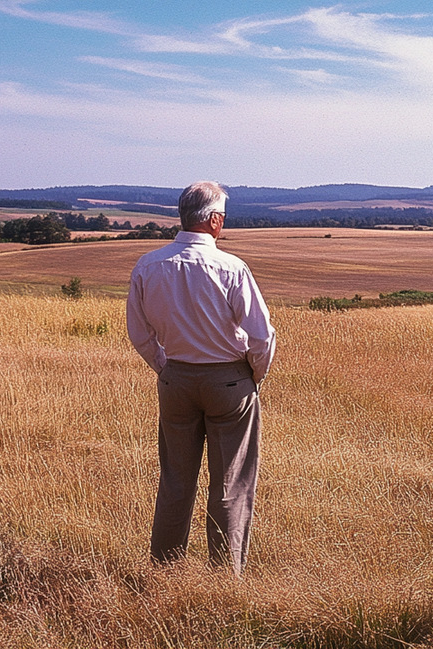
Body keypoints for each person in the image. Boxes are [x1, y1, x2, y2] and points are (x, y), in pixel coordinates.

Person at [126, 180, 275, 574]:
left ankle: (165, 572)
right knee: (230, 485)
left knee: (176, 480)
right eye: (222, 216)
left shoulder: (148, 264)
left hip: (175, 379)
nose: (223, 223)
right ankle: (225, 579)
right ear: (212, 220)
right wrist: (251, 376)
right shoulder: (231, 267)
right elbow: (261, 336)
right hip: (229, 382)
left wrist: (165, 367)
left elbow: (139, 333)